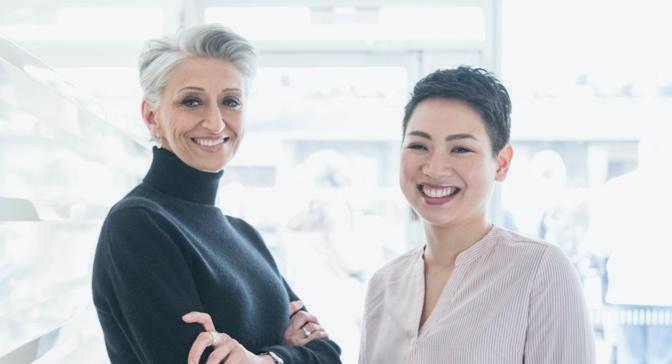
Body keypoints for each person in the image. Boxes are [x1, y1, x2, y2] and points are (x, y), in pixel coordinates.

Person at [91, 24, 341, 364]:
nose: (215, 122)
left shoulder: (244, 234)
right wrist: (289, 351)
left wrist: (262, 360)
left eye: (230, 101)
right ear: (152, 117)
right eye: (192, 101)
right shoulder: (138, 225)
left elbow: (328, 354)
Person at [358, 66, 595, 363]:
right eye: (419, 145)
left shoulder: (540, 271)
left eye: (460, 149)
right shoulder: (384, 285)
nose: (434, 168)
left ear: (501, 163)